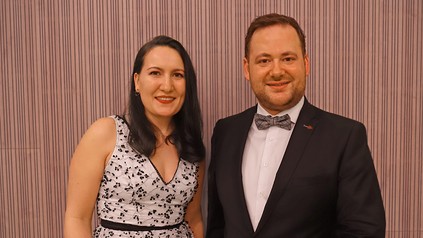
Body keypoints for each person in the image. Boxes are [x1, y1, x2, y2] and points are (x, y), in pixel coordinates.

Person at [206, 13, 385, 237]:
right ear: (246, 68)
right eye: (264, 60)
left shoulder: (345, 137)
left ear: (306, 63)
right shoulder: (225, 132)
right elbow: (217, 226)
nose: (277, 71)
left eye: (288, 58)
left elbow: (364, 230)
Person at [64, 35, 206, 238]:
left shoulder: (192, 146)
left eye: (177, 75)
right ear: (137, 82)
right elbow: (77, 219)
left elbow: (194, 220)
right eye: (155, 73)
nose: (167, 86)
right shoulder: (107, 132)